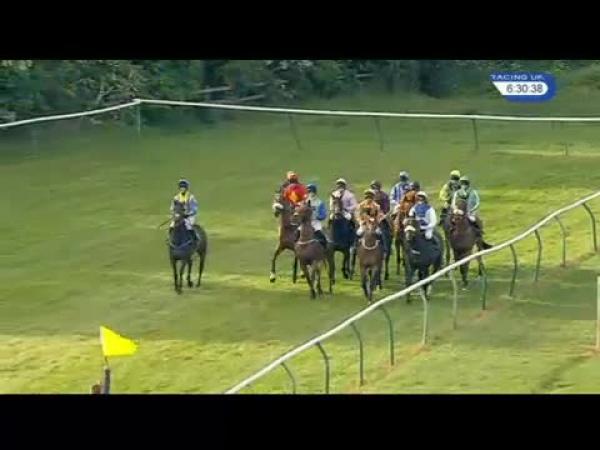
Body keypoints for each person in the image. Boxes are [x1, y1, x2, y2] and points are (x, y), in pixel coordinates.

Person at [301, 184, 328, 249]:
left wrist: (318, 217)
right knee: (296, 234)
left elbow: (323, 214)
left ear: (314, 192)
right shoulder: (304, 202)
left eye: (311, 191)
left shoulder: (319, 202)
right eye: (308, 192)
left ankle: (324, 249)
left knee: (322, 237)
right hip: (305, 223)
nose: (310, 193)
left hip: (315, 222)